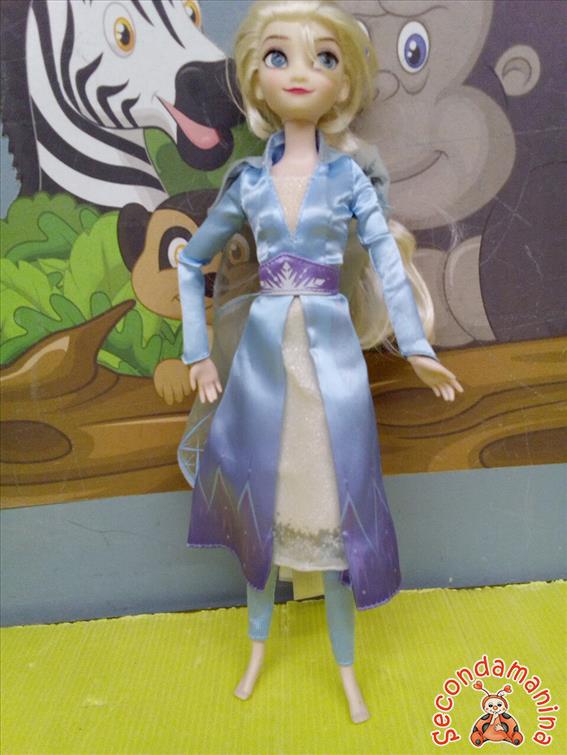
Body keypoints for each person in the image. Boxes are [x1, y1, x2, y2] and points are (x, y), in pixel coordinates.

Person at [177, 0, 463, 724]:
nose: (301, 72)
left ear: (343, 83)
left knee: (335, 525)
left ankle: (346, 668)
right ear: (256, 78)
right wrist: (197, 353)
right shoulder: (248, 183)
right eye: (279, 56)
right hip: (262, 368)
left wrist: (417, 346)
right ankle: (255, 651)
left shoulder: (348, 181)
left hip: (330, 366)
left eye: (324, 58)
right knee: (260, 522)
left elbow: (388, 265)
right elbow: (190, 262)